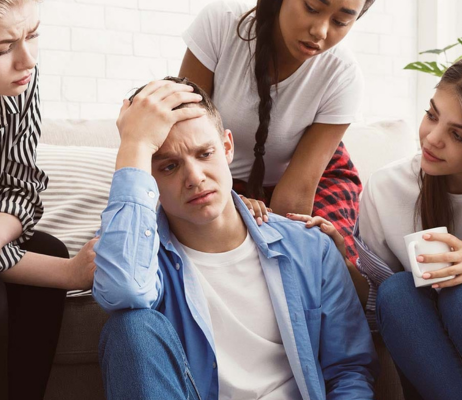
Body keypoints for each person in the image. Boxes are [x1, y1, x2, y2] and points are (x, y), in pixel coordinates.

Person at [92, 77, 378, 400]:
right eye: (169, 167)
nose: (195, 178)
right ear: (147, 174)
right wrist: (135, 146)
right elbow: (123, 289)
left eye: (205, 153)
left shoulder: (311, 247)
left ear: (227, 147)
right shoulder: (142, 255)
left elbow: (349, 370)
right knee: (131, 327)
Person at [289, 53, 462, 400]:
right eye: (432, 115)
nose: (432, 138)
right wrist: (340, 263)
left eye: (458, 135)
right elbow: (379, 311)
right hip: (442, 374)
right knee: (397, 292)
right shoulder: (388, 188)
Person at [179, 0, 375, 265]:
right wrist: (228, 202)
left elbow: (296, 197)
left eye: (340, 22)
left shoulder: (342, 75)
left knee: (323, 258)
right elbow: (185, 134)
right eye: (312, 8)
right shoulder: (222, 22)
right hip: (221, 176)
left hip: (315, 176)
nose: (320, 31)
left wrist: (290, 256)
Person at [0, 1, 97, 398]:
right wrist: (67, 274)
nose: (28, 59)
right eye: (3, 47)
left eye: (33, 34)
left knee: (48, 248)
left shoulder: (21, 83)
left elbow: (21, 186)